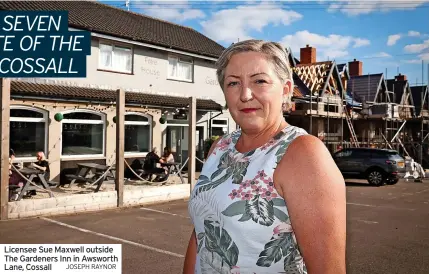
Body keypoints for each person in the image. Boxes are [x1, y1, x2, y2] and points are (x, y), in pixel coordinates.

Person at [183, 40, 346, 274]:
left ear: (286, 90)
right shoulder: (220, 147)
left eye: (259, 80)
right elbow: (202, 234)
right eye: (233, 83)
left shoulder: (303, 153)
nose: (245, 94)